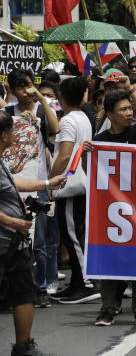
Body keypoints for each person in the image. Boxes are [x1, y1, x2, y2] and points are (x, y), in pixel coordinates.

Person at [86, 79, 136, 327]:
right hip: (111, 210)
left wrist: (129, 92)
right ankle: (108, 308)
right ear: (110, 114)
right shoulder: (100, 140)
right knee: (110, 258)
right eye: (123, 110)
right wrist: (87, 156)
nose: (129, 113)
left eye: (129, 108)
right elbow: (92, 175)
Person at [0, 110, 67, 356]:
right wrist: (12, 221)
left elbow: (13, 183)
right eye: (13, 131)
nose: (16, 135)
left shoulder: (1, 161)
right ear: (5, 134)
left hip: (14, 244)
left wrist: (48, 183)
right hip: (4, 241)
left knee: (23, 293)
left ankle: (23, 346)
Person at [2, 70, 60, 309]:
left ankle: (42, 287)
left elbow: (55, 128)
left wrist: (42, 101)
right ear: (12, 90)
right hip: (12, 184)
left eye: (28, 85)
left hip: (40, 184)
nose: (25, 92)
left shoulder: (41, 110)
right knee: (16, 238)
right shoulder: (8, 113)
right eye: (19, 87)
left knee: (40, 240)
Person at [47, 76, 97, 305]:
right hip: (79, 184)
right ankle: (77, 282)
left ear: (61, 97)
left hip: (69, 186)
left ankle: (86, 284)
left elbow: (65, 154)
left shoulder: (68, 121)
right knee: (74, 234)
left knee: (73, 236)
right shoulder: (83, 117)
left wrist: (49, 182)